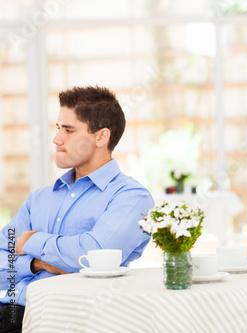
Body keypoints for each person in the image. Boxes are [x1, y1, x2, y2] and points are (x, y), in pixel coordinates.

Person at [0, 86, 154, 333]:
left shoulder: (131, 198)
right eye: (58, 128)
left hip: (66, 321)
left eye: (68, 130)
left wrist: (33, 240)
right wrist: (37, 264)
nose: (57, 139)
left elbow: (94, 255)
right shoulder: (38, 199)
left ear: (101, 137)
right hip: (8, 309)